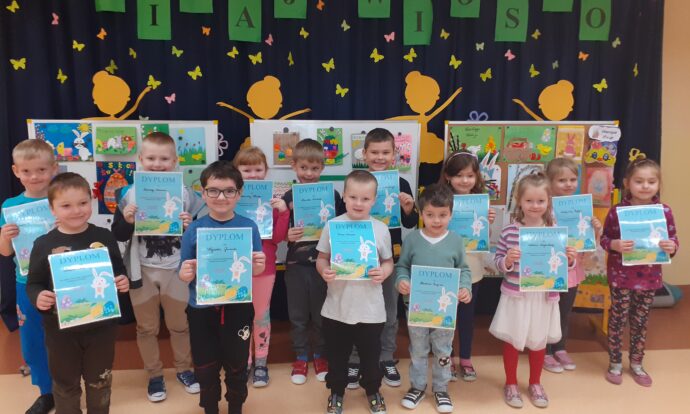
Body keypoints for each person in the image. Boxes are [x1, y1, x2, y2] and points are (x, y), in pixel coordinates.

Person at [26, 172, 130, 413]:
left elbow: (117, 270)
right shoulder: (43, 244)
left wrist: (122, 282)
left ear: (91, 200)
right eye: (66, 206)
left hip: (101, 328)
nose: (76, 211)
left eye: (83, 203)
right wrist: (38, 296)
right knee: (65, 385)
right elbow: (33, 283)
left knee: (100, 381)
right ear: (52, 209)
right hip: (60, 331)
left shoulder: (104, 236)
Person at [111, 131, 201, 401]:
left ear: (175, 161)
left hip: (176, 271)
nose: (157, 164)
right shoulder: (127, 194)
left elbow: (200, 235)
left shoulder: (187, 195)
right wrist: (127, 220)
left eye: (164, 159)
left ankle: (184, 369)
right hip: (142, 271)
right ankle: (154, 375)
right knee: (146, 328)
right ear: (140, 159)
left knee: (180, 325)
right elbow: (117, 235)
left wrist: (189, 225)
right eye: (151, 158)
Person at [179, 161, 266, 414]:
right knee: (205, 365)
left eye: (229, 191)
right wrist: (185, 273)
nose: (221, 197)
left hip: (238, 308)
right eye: (213, 191)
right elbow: (183, 271)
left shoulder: (249, 227)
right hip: (201, 309)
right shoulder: (194, 229)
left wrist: (258, 267)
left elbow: (254, 271)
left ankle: (235, 406)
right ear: (203, 193)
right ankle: (210, 407)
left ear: (239, 193)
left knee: (237, 364)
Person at [490, 172, 576, 409]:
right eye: (529, 200)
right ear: (519, 200)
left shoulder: (555, 231)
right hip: (516, 296)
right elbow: (498, 262)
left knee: (538, 341)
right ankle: (510, 383)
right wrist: (507, 260)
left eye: (540, 201)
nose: (535, 206)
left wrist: (569, 259)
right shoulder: (510, 231)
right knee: (513, 340)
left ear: (549, 202)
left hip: (544, 297)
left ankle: (535, 383)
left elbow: (563, 266)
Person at [316, 170, 394, 414]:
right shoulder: (332, 226)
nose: (358, 203)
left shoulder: (380, 229)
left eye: (365, 198)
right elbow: (322, 258)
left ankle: (373, 391)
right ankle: (336, 392)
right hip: (337, 308)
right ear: (344, 197)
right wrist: (324, 270)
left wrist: (384, 272)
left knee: (371, 358)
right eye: (353, 197)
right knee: (337, 357)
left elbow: (388, 261)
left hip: (371, 311)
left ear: (374, 200)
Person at [348, 128, 419, 389]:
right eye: (374, 152)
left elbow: (410, 223)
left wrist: (409, 209)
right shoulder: (355, 182)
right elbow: (344, 218)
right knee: (357, 310)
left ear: (394, 154)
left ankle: (386, 356)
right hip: (359, 257)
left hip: (391, 256)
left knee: (389, 310)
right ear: (364, 154)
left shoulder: (401, 184)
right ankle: (355, 359)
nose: (380, 157)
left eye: (385, 152)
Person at [600, 156, 678, 387]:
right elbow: (605, 239)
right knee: (618, 320)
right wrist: (614, 245)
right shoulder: (617, 211)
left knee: (640, 321)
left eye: (651, 182)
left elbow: (673, 239)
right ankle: (615, 363)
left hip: (649, 278)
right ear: (627, 183)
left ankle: (636, 363)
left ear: (658, 184)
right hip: (621, 276)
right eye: (639, 181)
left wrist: (671, 246)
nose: (645, 186)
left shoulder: (664, 211)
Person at [395, 183, 472, 413]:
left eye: (442, 215)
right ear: (421, 213)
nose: (436, 220)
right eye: (430, 215)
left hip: (445, 310)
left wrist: (464, 287)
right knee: (418, 349)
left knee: (443, 349)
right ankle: (417, 387)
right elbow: (402, 266)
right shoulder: (412, 239)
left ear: (451, 214)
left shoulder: (456, 240)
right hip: (416, 307)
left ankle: (441, 388)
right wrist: (402, 280)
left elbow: (464, 269)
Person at [0, 139, 57, 414]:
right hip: (26, 283)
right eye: (26, 171)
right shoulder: (11, 206)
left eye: (41, 170)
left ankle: (68, 387)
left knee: (66, 339)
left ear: (54, 168)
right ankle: (47, 393)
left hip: (61, 281)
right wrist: (5, 236)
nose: (34, 177)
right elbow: (5, 252)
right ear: (16, 171)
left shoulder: (62, 200)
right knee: (33, 341)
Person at [282, 139, 345, 385]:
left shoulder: (332, 195)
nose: (309, 173)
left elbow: (343, 226)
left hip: (322, 265)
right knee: (297, 315)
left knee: (321, 315)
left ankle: (320, 355)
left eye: (315, 168)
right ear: (294, 166)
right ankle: (300, 357)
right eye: (304, 168)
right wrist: (286, 234)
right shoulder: (287, 197)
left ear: (322, 168)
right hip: (296, 265)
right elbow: (277, 232)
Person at [232, 146, 290, 387]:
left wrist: (283, 213)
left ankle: (261, 363)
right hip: (235, 268)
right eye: (246, 170)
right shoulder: (230, 199)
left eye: (258, 169)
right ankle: (244, 361)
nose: (253, 174)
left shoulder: (272, 201)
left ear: (266, 171)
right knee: (239, 316)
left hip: (264, 268)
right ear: (236, 171)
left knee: (261, 314)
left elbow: (278, 238)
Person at [438, 151, 496, 381]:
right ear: (448, 176)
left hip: (473, 269)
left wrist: (488, 223)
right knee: (446, 318)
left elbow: (484, 239)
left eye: (470, 175)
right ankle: (448, 357)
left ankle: (466, 359)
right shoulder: (440, 199)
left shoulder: (481, 202)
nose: (464, 180)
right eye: (459, 175)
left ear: (477, 176)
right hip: (446, 267)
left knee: (466, 318)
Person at [543, 157, 602, 373]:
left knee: (564, 311)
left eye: (572, 179)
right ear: (549, 182)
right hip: (550, 270)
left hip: (572, 270)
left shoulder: (581, 209)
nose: (568, 184)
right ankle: (544, 350)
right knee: (547, 311)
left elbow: (589, 245)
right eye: (561, 180)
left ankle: (560, 348)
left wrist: (595, 229)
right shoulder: (543, 207)